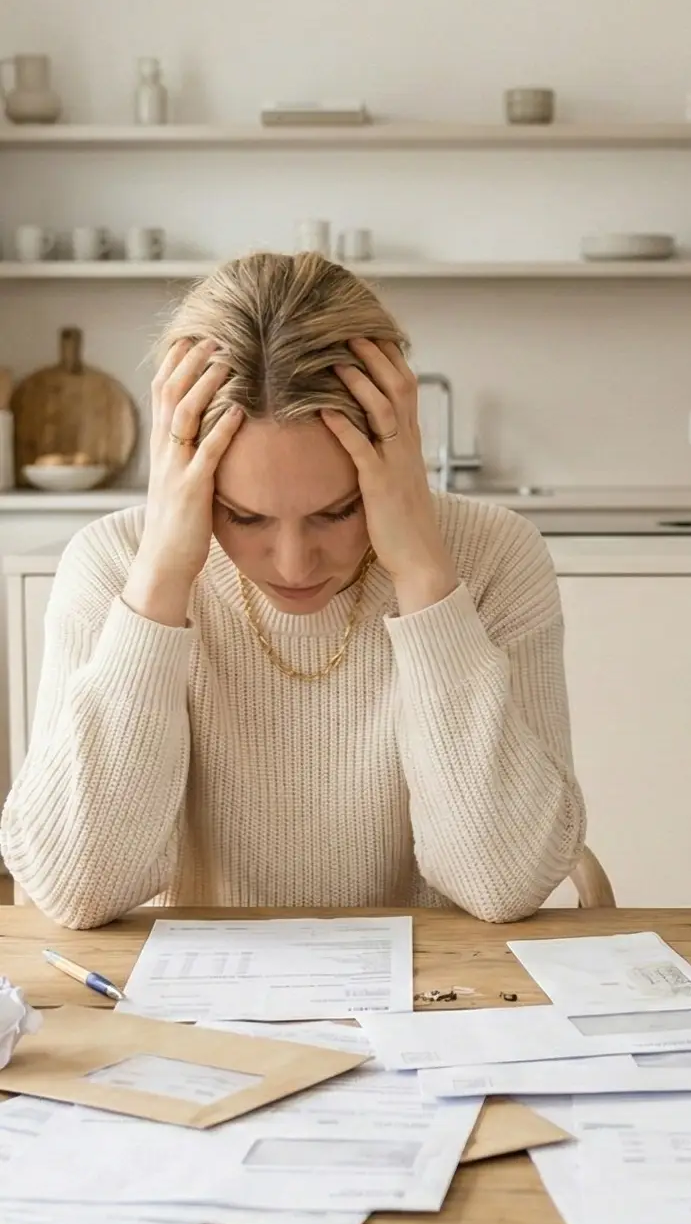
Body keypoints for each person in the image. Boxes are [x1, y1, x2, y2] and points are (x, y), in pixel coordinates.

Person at [1, 252, 587, 928]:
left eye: (337, 511)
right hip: (189, 1018)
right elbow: (78, 888)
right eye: (244, 516)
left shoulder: (492, 557)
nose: (293, 563)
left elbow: (503, 882)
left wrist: (425, 578)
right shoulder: (113, 566)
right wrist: (160, 580)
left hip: (438, 1005)